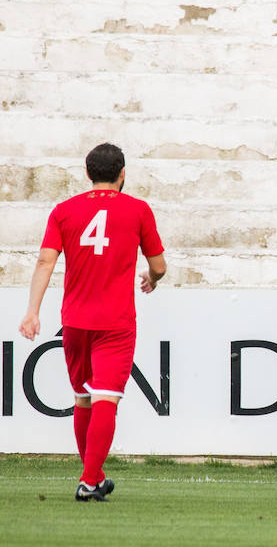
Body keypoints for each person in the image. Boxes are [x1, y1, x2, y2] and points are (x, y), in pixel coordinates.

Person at [18, 142, 166, 502]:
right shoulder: (138, 210)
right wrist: (153, 277)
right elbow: (159, 265)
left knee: (83, 398)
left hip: (75, 320)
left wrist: (32, 312)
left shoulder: (64, 211)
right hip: (115, 320)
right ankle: (88, 481)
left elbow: (44, 262)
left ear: (87, 174)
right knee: (106, 398)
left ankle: (94, 477)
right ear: (123, 173)